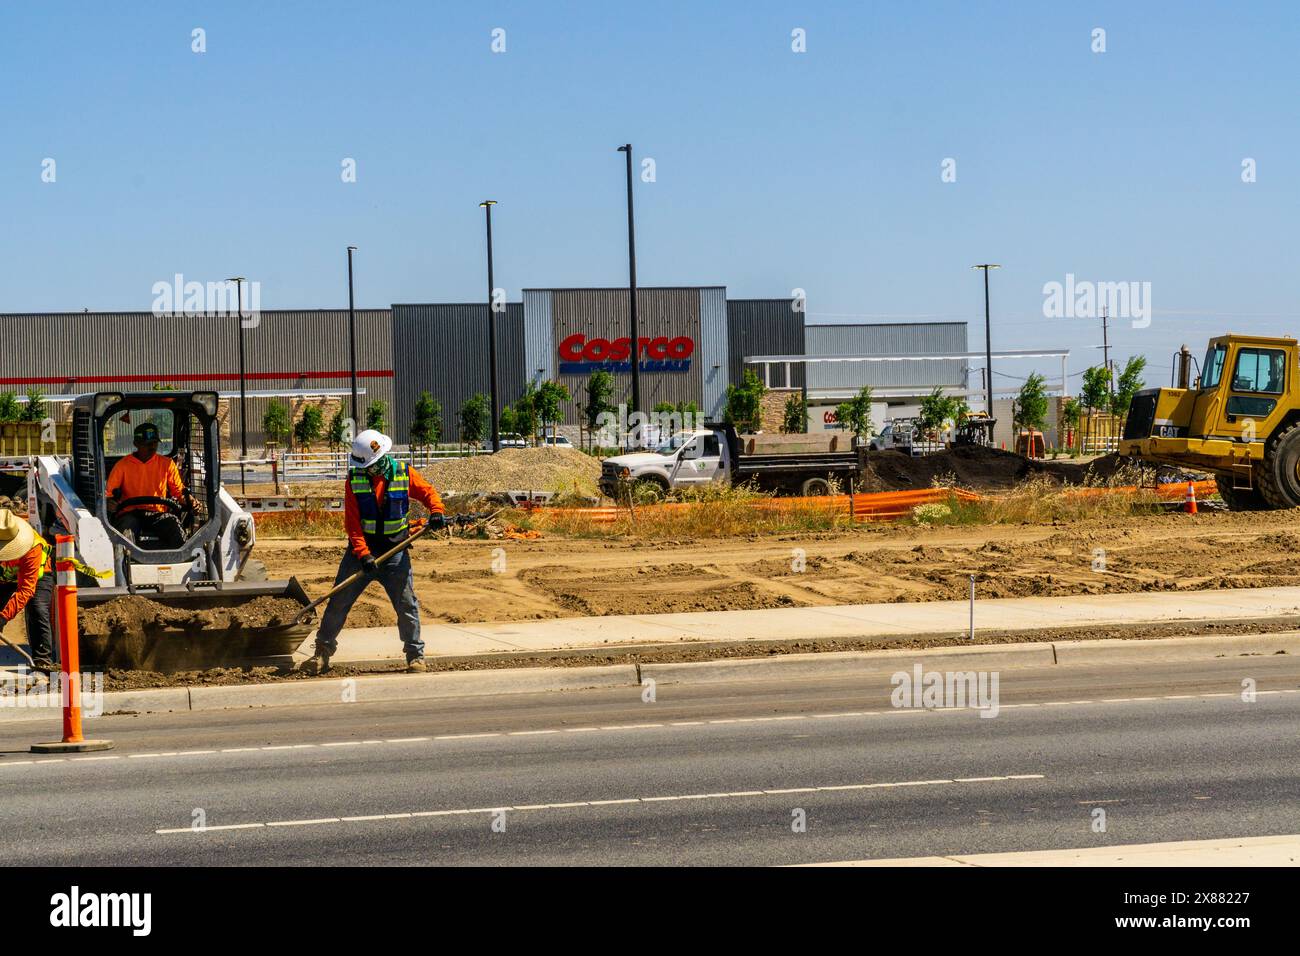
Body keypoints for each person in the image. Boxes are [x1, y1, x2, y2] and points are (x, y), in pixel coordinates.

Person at [304, 430, 446, 675]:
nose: (369, 470)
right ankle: (322, 653)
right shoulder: (354, 480)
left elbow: (428, 492)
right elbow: (352, 524)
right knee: (338, 603)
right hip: (361, 554)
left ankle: (415, 656)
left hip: (395, 552)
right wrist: (363, 554)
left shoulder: (403, 473)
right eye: (365, 467)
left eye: (371, 465)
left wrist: (436, 511)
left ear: (382, 458)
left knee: (407, 605)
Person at [105, 422, 190, 549]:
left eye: (154, 443)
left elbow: (179, 491)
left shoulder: (167, 464)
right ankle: (126, 558)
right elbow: (109, 495)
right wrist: (109, 503)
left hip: (157, 513)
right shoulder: (122, 465)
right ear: (136, 444)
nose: (152, 447)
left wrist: (190, 501)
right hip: (130, 513)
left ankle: (181, 558)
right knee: (125, 533)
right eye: (147, 443)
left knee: (174, 525)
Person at [0, 509, 56, 675]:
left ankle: (42, 662)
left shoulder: (32, 547)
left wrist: (2, 618)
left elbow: (26, 590)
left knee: (38, 609)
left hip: (37, 576)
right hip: (5, 576)